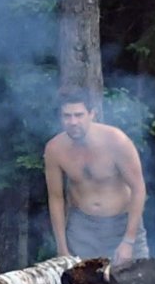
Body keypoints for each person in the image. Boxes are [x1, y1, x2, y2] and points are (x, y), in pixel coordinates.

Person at [44, 89, 147, 265]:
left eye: (79, 115)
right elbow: (56, 198)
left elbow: (138, 189)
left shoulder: (117, 141)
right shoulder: (55, 149)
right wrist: (62, 248)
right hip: (82, 229)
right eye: (67, 116)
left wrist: (128, 241)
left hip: (121, 224)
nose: (73, 122)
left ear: (92, 114)